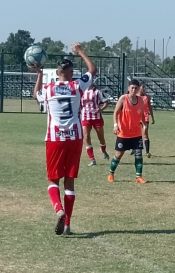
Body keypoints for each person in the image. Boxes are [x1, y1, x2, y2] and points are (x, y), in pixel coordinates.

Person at [33, 43, 96, 235]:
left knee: (53, 180)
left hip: (55, 138)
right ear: (69, 73)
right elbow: (92, 70)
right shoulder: (77, 86)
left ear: (58, 72)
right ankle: (67, 224)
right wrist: (80, 52)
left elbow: (36, 95)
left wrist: (39, 75)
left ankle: (58, 209)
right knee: (69, 182)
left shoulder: (50, 89)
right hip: (75, 137)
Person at [107, 79, 146, 184]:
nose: (134, 90)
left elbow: (141, 113)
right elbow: (115, 113)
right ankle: (111, 173)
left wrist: (144, 123)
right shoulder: (123, 99)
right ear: (128, 88)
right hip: (124, 133)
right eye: (132, 87)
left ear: (138, 89)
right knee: (119, 155)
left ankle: (139, 176)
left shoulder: (141, 100)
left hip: (136, 133)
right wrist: (115, 125)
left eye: (136, 88)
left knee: (138, 154)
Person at [81, 84, 110, 166]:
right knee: (86, 137)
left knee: (101, 138)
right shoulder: (81, 91)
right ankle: (92, 159)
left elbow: (106, 102)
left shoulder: (97, 91)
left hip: (96, 118)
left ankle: (104, 151)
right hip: (85, 117)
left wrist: (100, 110)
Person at [136, 84, 155, 158]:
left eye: (145, 88)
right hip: (136, 117)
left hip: (145, 117)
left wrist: (153, 117)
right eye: (143, 88)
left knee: (145, 134)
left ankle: (147, 152)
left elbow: (150, 107)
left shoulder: (147, 97)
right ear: (139, 88)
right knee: (136, 134)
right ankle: (135, 149)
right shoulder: (136, 97)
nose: (144, 89)